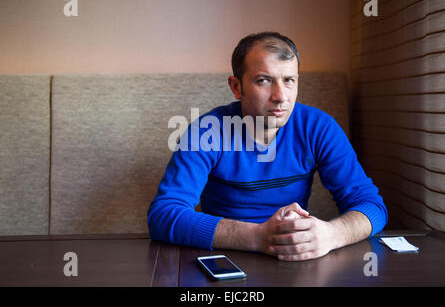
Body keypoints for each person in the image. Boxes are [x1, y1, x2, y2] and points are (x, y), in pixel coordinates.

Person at [147, 31, 387, 261]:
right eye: (264, 80)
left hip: (295, 259)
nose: (280, 96)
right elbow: (164, 215)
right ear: (236, 87)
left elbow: (372, 206)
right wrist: (258, 237)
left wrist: (332, 235)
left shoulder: (318, 127)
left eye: (289, 80)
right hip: (226, 257)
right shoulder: (208, 131)